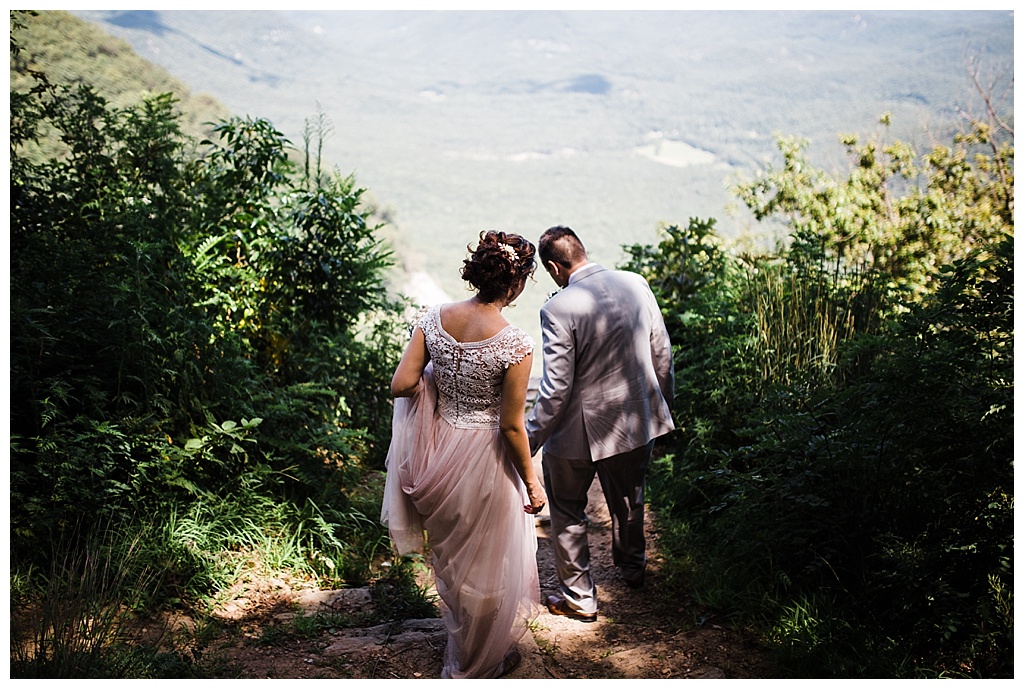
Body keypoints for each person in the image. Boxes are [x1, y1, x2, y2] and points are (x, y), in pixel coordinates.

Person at [381, 230, 546, 678]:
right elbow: (512, 426)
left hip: (437, 453)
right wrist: (532, 481)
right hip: (484, 460)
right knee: (488, 563)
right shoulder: (515, 344)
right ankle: (477, 662)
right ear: (515, 284)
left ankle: (467, 648)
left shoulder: (433, 319)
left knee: (453, 558)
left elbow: (401, 384)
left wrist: (438, 380)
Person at [526, 225, 674, 623]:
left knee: (567, 509)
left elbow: (556, 389)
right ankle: (633, 568)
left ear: (556, 268)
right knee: (629, 500)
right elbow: (662, 352)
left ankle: (580, 597)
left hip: (576, 434)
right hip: (634, 421)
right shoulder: (635, 283)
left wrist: (529, 441)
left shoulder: (558, 307)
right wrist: (660, 410)